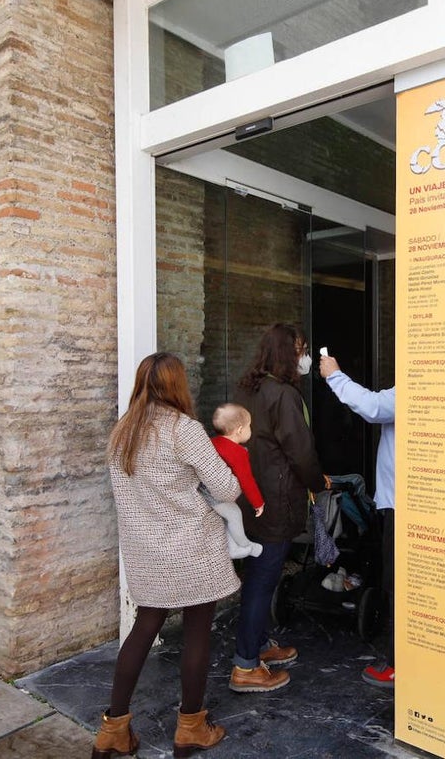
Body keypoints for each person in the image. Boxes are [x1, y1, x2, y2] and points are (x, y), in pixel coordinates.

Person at [97, 352, 241, 758]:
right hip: (191, 548)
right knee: (197, 632)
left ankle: (112, 730)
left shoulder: (122, 431)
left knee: (144, 628)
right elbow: (227, 489)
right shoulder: (184, 430)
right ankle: (191, 727)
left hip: (146, 552)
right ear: (177, 385)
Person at [230, 323, 329, 693]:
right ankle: (245, 666)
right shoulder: (284, 396)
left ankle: (256, 645)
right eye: (301, 349)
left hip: (248, 499)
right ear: (287, 354)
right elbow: (300, 452)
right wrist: (319, 482)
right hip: (276, 500)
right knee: (262, 579)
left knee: (256, 575)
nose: (305, 357)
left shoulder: (247, 389)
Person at [319, 352, 396, 689]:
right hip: (416, 500)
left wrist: (335, 376)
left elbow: (374, 407)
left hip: (401, 506)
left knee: (400, 587)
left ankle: (399, 667)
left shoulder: (423, 384)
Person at [207, 403, 264, 559]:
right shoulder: (237, 452)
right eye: (249, 426)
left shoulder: (211, 443)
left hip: (202, 492)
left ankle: (233, 547)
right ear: (240, 430)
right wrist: (258, 503)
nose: (250, 429)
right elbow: (247, 480)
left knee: (226, 520)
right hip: (215, 497)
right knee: (234, 514)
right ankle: (244, 545)